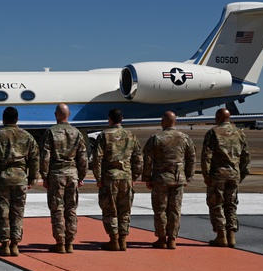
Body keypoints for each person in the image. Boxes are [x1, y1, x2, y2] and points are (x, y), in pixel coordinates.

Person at [0, 106, 39, 257]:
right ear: (17, 119)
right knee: (18, 212)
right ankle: (15, 244)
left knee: (2, 212)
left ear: (4, 119)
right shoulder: (27, 136)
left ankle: (5, 243)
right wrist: (33, 178)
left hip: (2, 178)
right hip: (20, 178)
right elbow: (34, 159)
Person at [141, 111, 196, 250]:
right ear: (175, 122)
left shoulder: (156, 138)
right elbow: (191, 158)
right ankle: (172, 239)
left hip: (161, 179)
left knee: (160, 209)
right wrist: (188, 176)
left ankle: (162, 238)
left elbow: (147, 160)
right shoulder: (184, 138)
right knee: (175, 210)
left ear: (162, 122)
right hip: (178, 179)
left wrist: (147, 178)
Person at [91, 108, 142, 251]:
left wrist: (98, 177)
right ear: (122, 119)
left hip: (110, 178)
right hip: (126, 177)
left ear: (110, 120)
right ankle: (123, 239)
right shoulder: (131, 135)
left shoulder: (104, 135)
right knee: (125, 210)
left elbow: (97, 158)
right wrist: (134, 176)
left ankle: (114, 240)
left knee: (110, 209)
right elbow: (138, 158)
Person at [40, 104, 88, 253]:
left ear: (56, 115)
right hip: (72, 174)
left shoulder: (50, 132)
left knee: (57, 209)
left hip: (56, 174)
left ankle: (60, 242)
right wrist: (81, 176)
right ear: (69, 114)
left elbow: (45, 157)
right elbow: (83, 157)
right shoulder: (77, 133)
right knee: (71, 209)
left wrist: (44, 175)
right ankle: (70, 242)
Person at [201, 108, 250, 247]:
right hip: (234, 174)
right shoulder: (239, 133)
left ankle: (221, 235)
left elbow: (206, 156)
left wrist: (206, 175)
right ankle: (231, 235)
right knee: (231, 205)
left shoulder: (213, 133)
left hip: (218, 174)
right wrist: (242, 173)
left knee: (216, 204)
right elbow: (246, 156)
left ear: (217, 118)